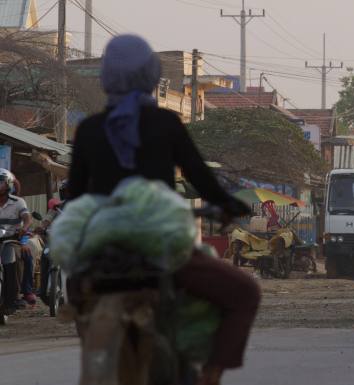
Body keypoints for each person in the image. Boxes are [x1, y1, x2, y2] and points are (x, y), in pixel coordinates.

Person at [67, 35, 259, 385]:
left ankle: (91, 342)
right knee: (246, 292)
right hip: (161, 251)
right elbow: (202, 178)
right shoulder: (165, 123)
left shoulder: (90, 130)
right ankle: (211, 375)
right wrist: (230, 205)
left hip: (103, 253)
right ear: (150, 75)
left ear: (108, 76)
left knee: (77, 288)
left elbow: (76, 197)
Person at [0, 169, 34, 314]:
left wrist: (24, 228)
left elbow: (27, 217)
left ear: (8, 184)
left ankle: (15, 296)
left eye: (0, 181)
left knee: (19, 258)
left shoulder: (18, 202)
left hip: (11, 240)